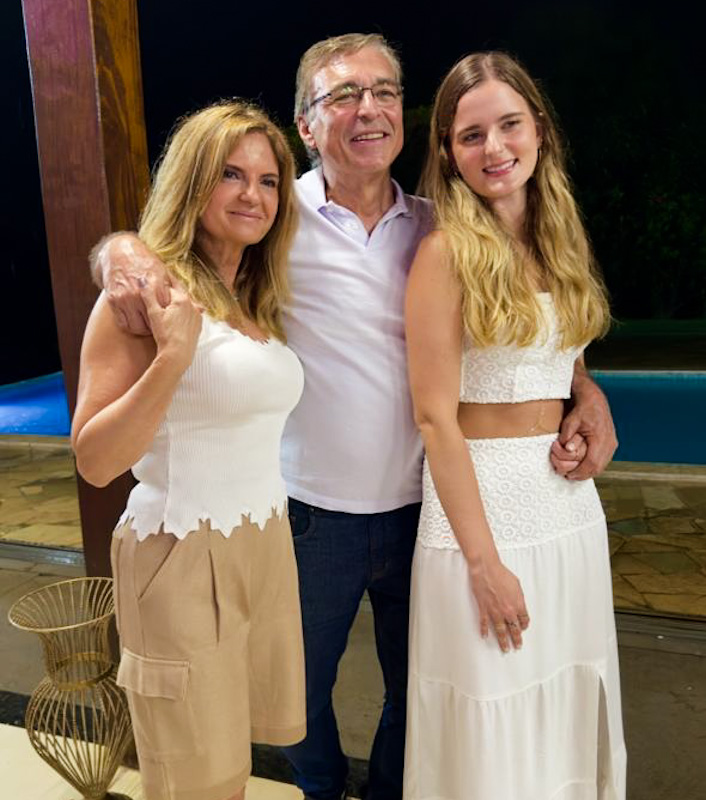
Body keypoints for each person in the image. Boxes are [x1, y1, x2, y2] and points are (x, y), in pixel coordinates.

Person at [91, 35, 617, 800]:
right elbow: (174, 245)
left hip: (426, 506)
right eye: (342, 95)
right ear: (306, 125)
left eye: (383, 92)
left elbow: (525, 329)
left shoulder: (440, 226)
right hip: (312, 515)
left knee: (421, 686)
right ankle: (322, 786)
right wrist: (117, 252)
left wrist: (584, 391)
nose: (368, 108)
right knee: (295, 695)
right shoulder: (276, 218)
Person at [403, 52, 626, 800]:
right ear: (448, 151)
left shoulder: (561, 241)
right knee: (491, 716)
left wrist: (587, 397)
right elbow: (434, 417)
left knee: (564, 698)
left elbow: (562, 356)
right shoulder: (443, 254)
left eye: (509, 125)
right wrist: (482, 565)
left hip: (566, 511)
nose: (494, 148)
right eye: (471, 135)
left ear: (540, 131)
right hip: (483, 517)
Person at [72, 101, 306, 800]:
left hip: (261, 541)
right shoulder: (147, 297)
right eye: (231, 174)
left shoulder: (256, 297)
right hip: (179, 551)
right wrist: (172, 357)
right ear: (192, 181)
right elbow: (96, 461)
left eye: (268, 180)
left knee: (230, 767)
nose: (252, 194)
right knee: (193, 780)